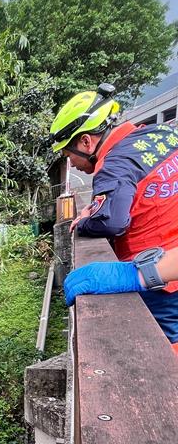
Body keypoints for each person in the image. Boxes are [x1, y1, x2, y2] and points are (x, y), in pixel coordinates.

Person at [49, 84, 178, 354]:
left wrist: (84, 222)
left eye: (68, 154)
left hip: (164, 287)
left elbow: (112, 221)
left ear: (86, 141)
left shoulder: (114, 164)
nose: (71, 164)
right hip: (168, 264)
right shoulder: (161, 134)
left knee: (163, 355)